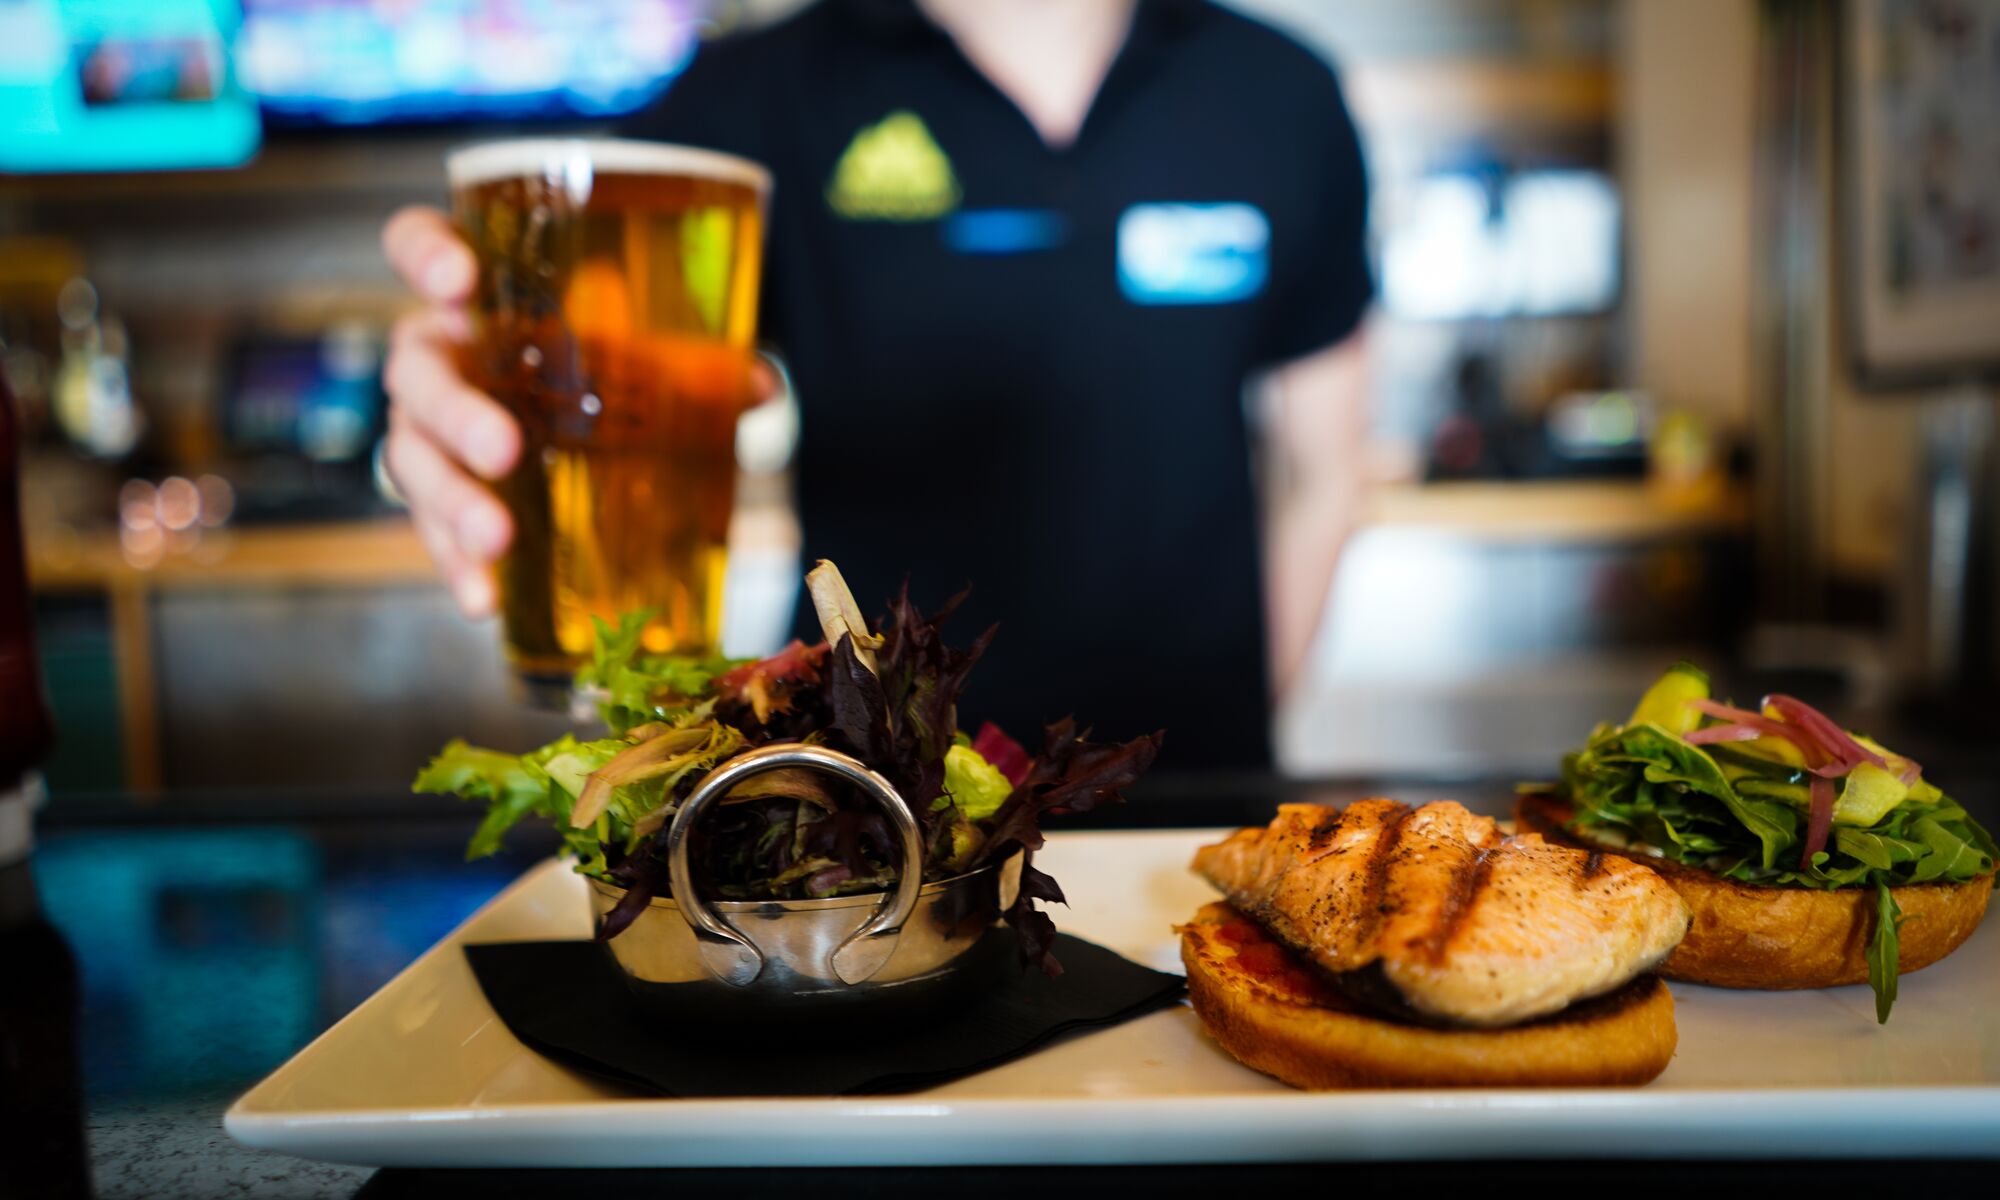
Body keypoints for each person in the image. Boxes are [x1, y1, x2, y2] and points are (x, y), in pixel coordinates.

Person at [381, 0, 1372, 769]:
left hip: (1192, 812)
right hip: (860, 829)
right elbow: (569, 338)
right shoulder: (750, 94)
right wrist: (473, 374)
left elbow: (1327, 470)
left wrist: (1231, 734)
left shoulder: (1282, 92)